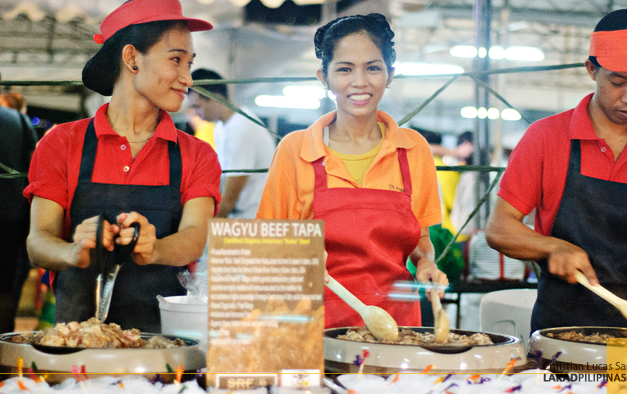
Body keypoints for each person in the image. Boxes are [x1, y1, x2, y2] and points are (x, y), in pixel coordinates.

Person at [485, 9, 627, 332]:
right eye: (617, 81)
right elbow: (499, 228)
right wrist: (553, 246)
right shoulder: (547, 137)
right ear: (591, 69)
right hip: (558, 336)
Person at [23, 0, 221, 333]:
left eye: (190, 63)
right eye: (176, 60)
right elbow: (38, 242)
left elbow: (195, 237)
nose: (188, 78)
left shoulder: (197, 153)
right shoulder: (62, 142)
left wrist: (154, 247)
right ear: (131, 58)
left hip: (165, 348)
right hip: (79, 349)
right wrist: (74, 250)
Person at [256, 13, 449, 328]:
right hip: (312, 326)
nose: (360, 81)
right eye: (344, 69)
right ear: (324, 77)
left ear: (389, 75)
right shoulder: (296, 149)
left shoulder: (413, 149)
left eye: (373, 68)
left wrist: (425, 260)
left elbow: (420, 237)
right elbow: (267, 244)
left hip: (397, 324)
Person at [188, 69, 275, 219]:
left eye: (197, 106)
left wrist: (204, 228)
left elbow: (230, 197)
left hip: (253, 220)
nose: (195, 113)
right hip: (240, 217)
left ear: (215, 98)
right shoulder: (222, 127)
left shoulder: (241, 129)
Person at [0, 105, 38, 333]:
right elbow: (33, 172)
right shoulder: (20, 121)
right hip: (10, 220)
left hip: (10, 218)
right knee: (5, 289)